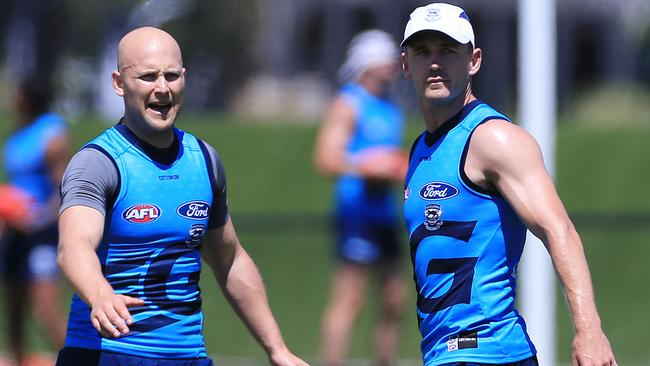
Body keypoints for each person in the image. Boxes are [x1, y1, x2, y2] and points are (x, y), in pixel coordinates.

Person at [55, 26, 308, 366]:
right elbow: (74, 246)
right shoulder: (98, 163)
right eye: (147, 76)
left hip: (187, 356)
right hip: (109, 354)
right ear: (118, 83)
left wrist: (278, 350)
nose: (162, 88)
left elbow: (230, 259)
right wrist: (100, 294)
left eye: (171, 76)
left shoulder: (203, 160)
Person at [400, 3, 617, 366]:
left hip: (490, 353)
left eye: (448, 51)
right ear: (406, 65)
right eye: (423, 52)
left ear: (474, 60)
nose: (435, 63)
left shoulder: (494, 139)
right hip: (443, 356)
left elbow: (558, 229)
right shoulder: (420, 151)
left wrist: (589, 330)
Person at [313, 29, 408, 366]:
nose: (394, 67)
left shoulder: (391, 106)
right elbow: (326, 157)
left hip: (385, 213)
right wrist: (371, 167)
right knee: (349, 298)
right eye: (386, 61)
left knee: (394, 298)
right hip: (357, 213)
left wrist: (397, 167)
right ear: (368, 64)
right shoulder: (349, 102)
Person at [0, 77, 69, 365]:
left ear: (28, 97)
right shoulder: (20, 129)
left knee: (45, 309)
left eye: (16, 91)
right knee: (14, 312)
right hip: (14, 232)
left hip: (41, 233)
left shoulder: (52, 134)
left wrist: (37, 219)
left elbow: (64, 189)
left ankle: (79, 361)